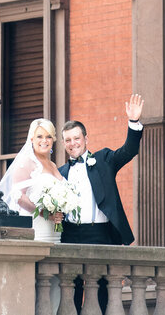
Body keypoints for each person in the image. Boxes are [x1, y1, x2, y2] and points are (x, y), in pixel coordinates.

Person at [58, 93, 144, 246]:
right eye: (68, 140)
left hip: (100, 233)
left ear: (86, 139)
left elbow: (128, 151)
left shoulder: (103, 160)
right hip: (68, 235)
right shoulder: (60, 173)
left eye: (77, 138)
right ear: (64, 144)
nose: (73, 143)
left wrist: (133, 121)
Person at [0, 118, 65, 243]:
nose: (44, 141)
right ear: (32, 139)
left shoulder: (53, 165)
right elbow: (18, 196)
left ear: (53, 140)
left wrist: (59, 210)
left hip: (54, 229)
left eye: (48, 137)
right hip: (36, 227)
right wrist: (43, 212)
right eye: (39, 136)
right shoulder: (26, 162)